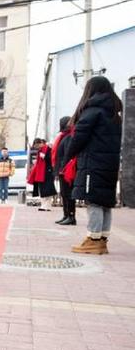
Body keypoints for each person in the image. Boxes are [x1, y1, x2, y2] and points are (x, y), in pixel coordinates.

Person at [65, 76, 122, 255]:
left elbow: (79, 137)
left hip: (94, 164)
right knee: (105, 201)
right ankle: (102, 240)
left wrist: (67, 156)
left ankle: (93, 239)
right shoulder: (114, 113)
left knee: (94, 201)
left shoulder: (93, 110)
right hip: (109, 164)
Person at [52, 116, 76, 225]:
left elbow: (67, 154)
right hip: (62, 170)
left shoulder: (69, 137)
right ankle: (66, 215)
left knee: (68, 193)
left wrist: (62, 168)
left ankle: (71, 216)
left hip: (66, 170)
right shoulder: (64, 136)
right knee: (63, 193)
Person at [28, 138, 56, 211]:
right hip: (40, 172)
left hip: (48, 172)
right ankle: (43, 205)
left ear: (41, 143)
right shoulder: (40, 150)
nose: (37, 147)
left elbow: (52, 158)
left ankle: (47, 206)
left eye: (37, 145)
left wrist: (44, 156)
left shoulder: (48, 149)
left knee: (48, 190)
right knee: (42, 189)